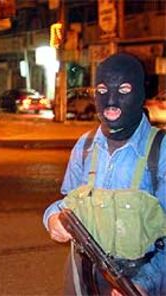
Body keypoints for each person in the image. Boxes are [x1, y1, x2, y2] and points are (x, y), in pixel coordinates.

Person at [43, 53, 166, 295]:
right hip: (83, 279)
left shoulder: (161, 152)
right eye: (102, 89)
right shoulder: (85, 145)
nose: (111, 101)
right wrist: (52, 218)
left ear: (140, 93)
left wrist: (142, 283)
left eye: (123, 89)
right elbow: (67, 203)